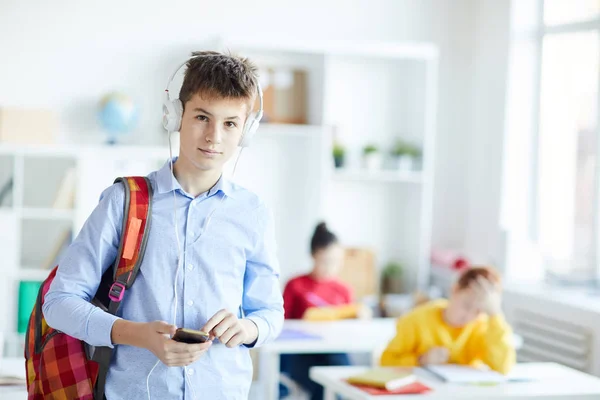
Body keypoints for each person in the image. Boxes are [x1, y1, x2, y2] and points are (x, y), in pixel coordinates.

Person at [42, 51, 284, 399]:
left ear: (246, 130)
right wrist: (137, 334)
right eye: (202, 117)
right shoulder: (124, 202)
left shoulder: (253, 212)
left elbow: (270, 312)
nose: (214, 136)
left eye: (230, 123)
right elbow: (60, 302)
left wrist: (248, 327)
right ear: (175, 116)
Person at [280, 222, 368, 400]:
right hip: (300, 353)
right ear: (313, 256)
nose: (330, 267)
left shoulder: (344, 290)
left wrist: (360, 317)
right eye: (325, 261)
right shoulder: (295, 285)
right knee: (321, 388)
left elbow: (351, 326)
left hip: (334, 350)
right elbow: (281, 323)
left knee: (346, 385)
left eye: (336, 261)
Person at [380, 266, 516, 374]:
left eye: (479, 311)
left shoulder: (484, 326)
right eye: (467, 305)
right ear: (455, 290)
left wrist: (495, 314)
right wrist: (420, 360)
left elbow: (503, 368)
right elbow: (385, 362)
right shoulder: (417, 319)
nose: (469, 316)